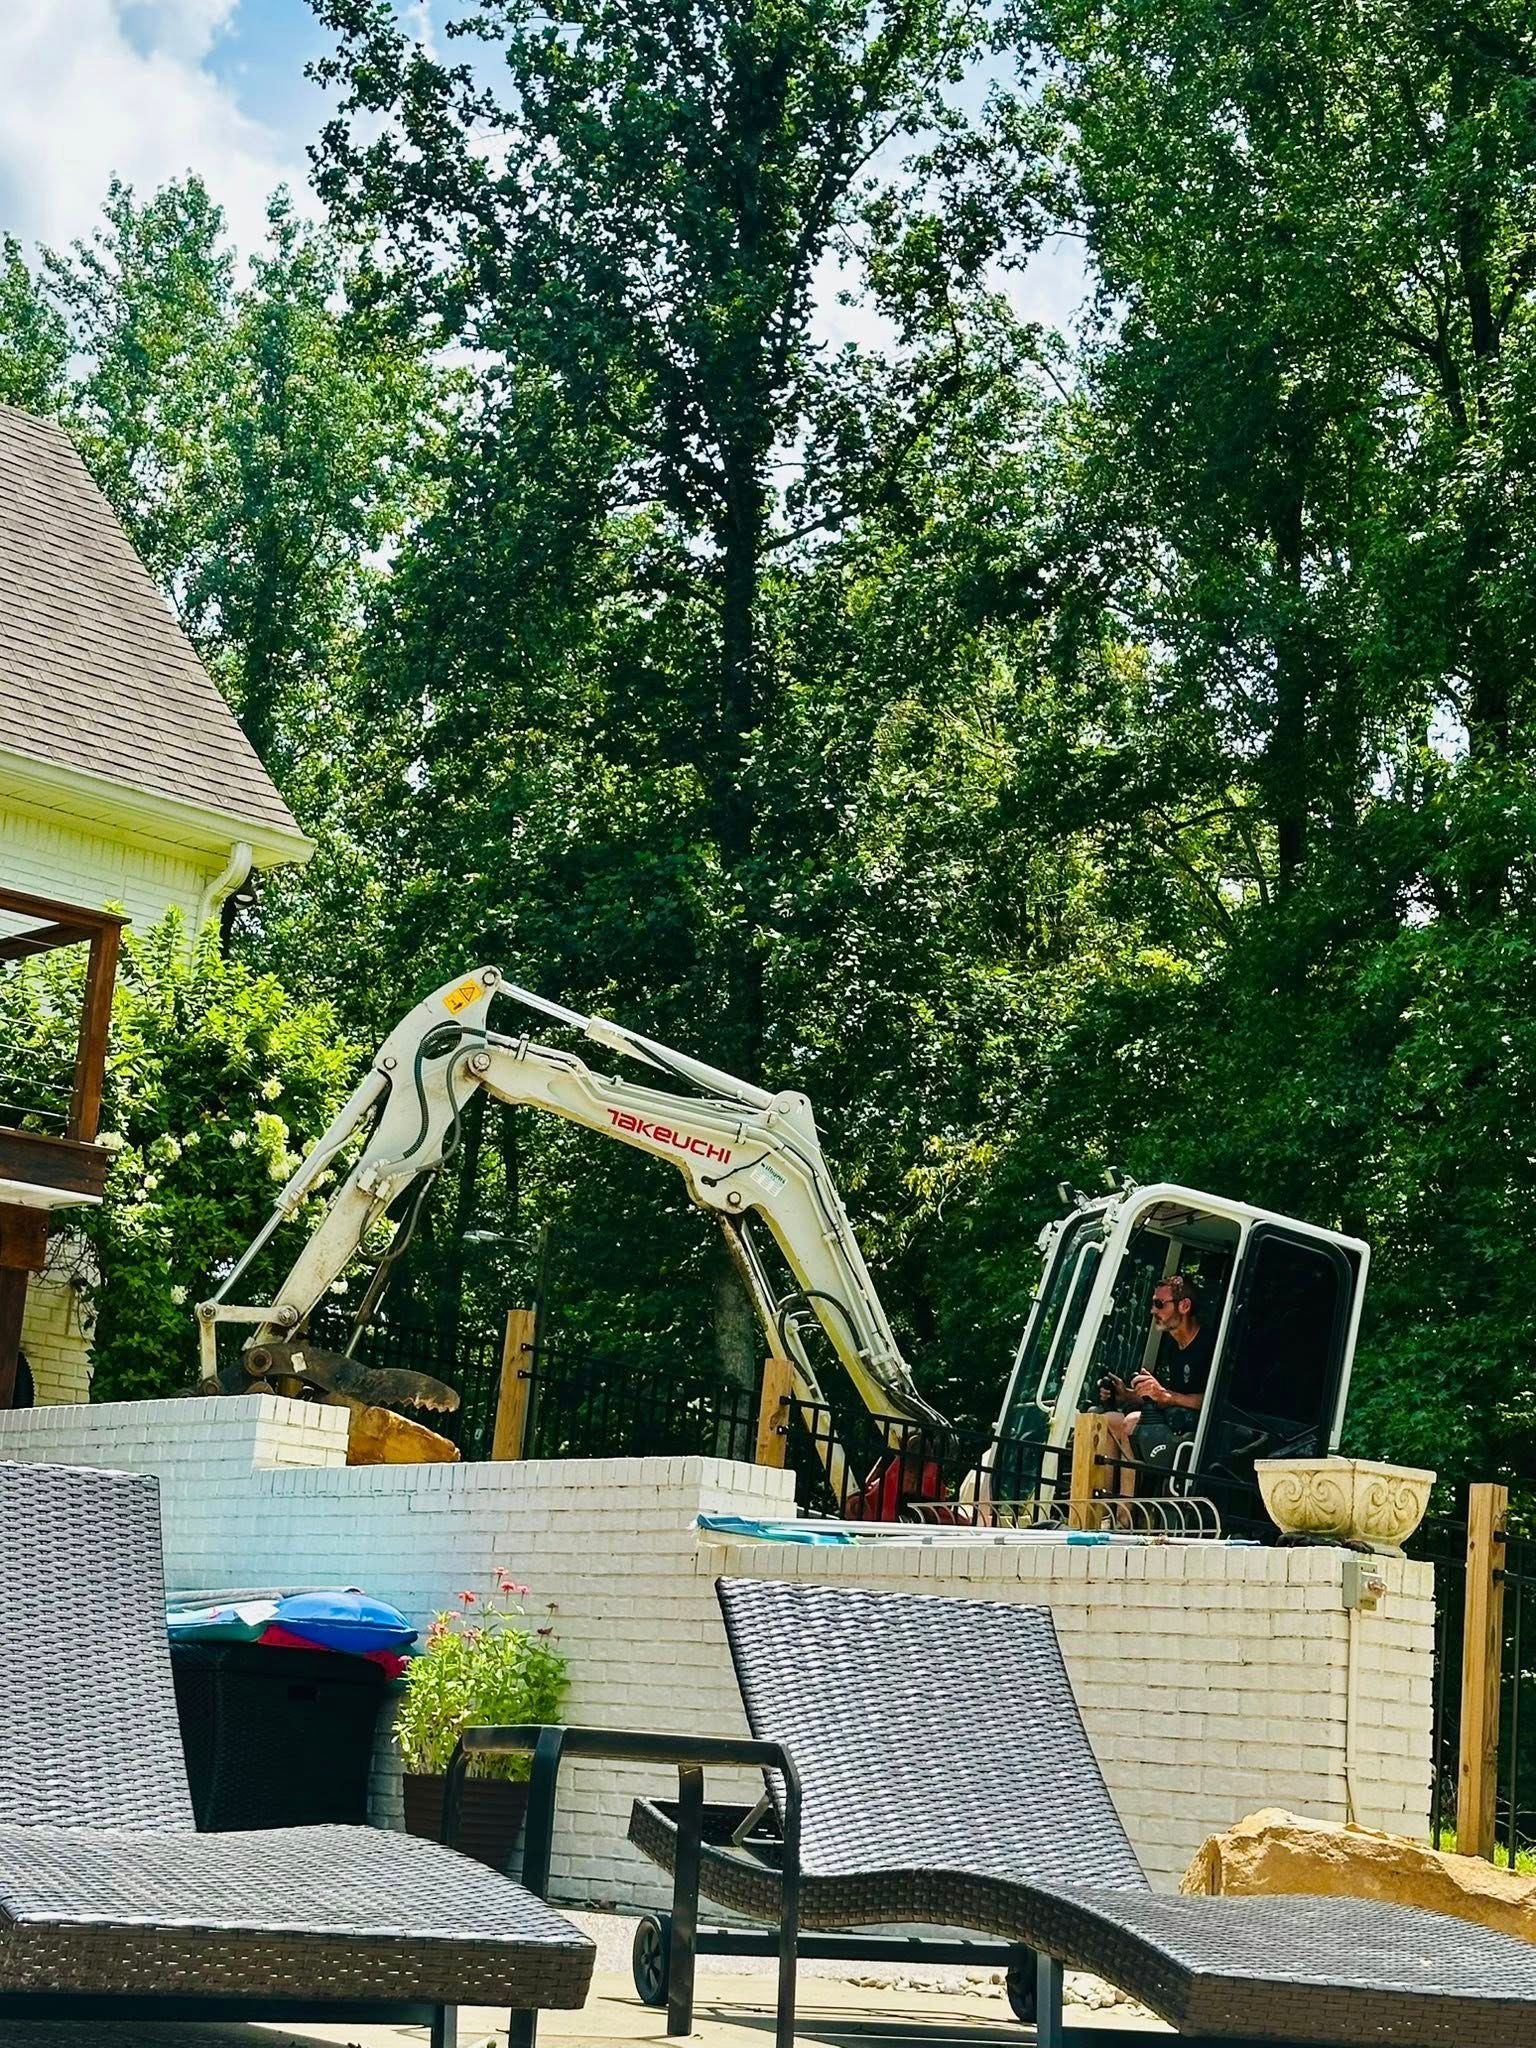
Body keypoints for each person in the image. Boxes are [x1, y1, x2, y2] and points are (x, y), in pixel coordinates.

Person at [1100, 1274, 1214, 1479]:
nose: (1153, 1311)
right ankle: (1105, 1495)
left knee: (1130, 1422)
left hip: (1201, 1433)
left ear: (1184, 1306)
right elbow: (1165, 1397)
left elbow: (1213, 1402)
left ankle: (1126, 1500)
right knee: (1107, 1420)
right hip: (1175, 1420)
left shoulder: (1211, 1346)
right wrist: (1127, 1395)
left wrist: (1168, 1397)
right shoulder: (1173, 1347)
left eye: (1159, 1304)